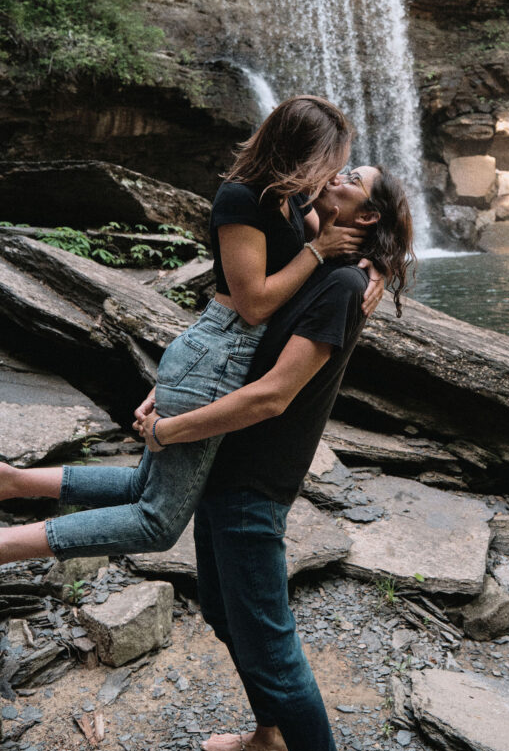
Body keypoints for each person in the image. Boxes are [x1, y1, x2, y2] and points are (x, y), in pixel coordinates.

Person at [0, 96, 384, 566]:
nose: (335, 176)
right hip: (219, 354)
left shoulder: (293, 199)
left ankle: (13, 482)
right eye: (333, 164)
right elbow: (255, 304)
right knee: (156, 522)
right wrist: (319, 251)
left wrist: (379, 263)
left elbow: (356, 231)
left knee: (145, 483)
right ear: (303, 151)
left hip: (217, 355)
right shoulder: (242, 197)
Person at [134, 165, 415, 751]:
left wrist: (170, 432)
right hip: (222, 458)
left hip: (253, 478)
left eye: (349, 175)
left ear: (365, 216)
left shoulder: (342, 284)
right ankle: (272, 738)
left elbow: (271, 397)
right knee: (220, 611)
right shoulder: (312, 253)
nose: (330, 176)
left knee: (276, 655)